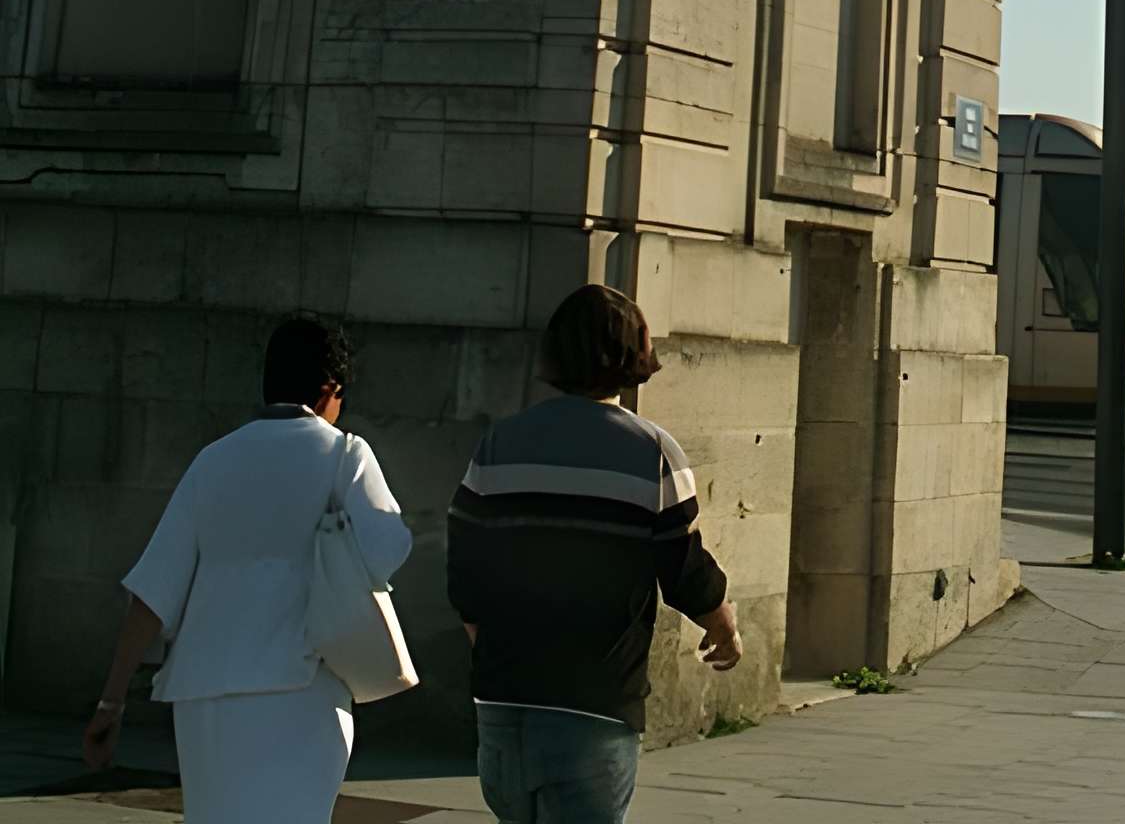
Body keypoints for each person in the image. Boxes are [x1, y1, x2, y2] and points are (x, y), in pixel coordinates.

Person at [83, 313, 412, 823]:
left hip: (203, 694)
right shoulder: (345, 454)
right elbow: (387, 549)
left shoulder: (212, 461)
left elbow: (152, 591)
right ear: (330, 389)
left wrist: (111, 702)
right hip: (301, 688)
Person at [449, 284, 742, 824]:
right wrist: (721, 621)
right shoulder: (650, 451)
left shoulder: (500, 445)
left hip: (503, 704)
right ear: (635, 358)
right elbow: (682, 565)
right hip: (593, 707)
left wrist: (492, 649)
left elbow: (464, 567)